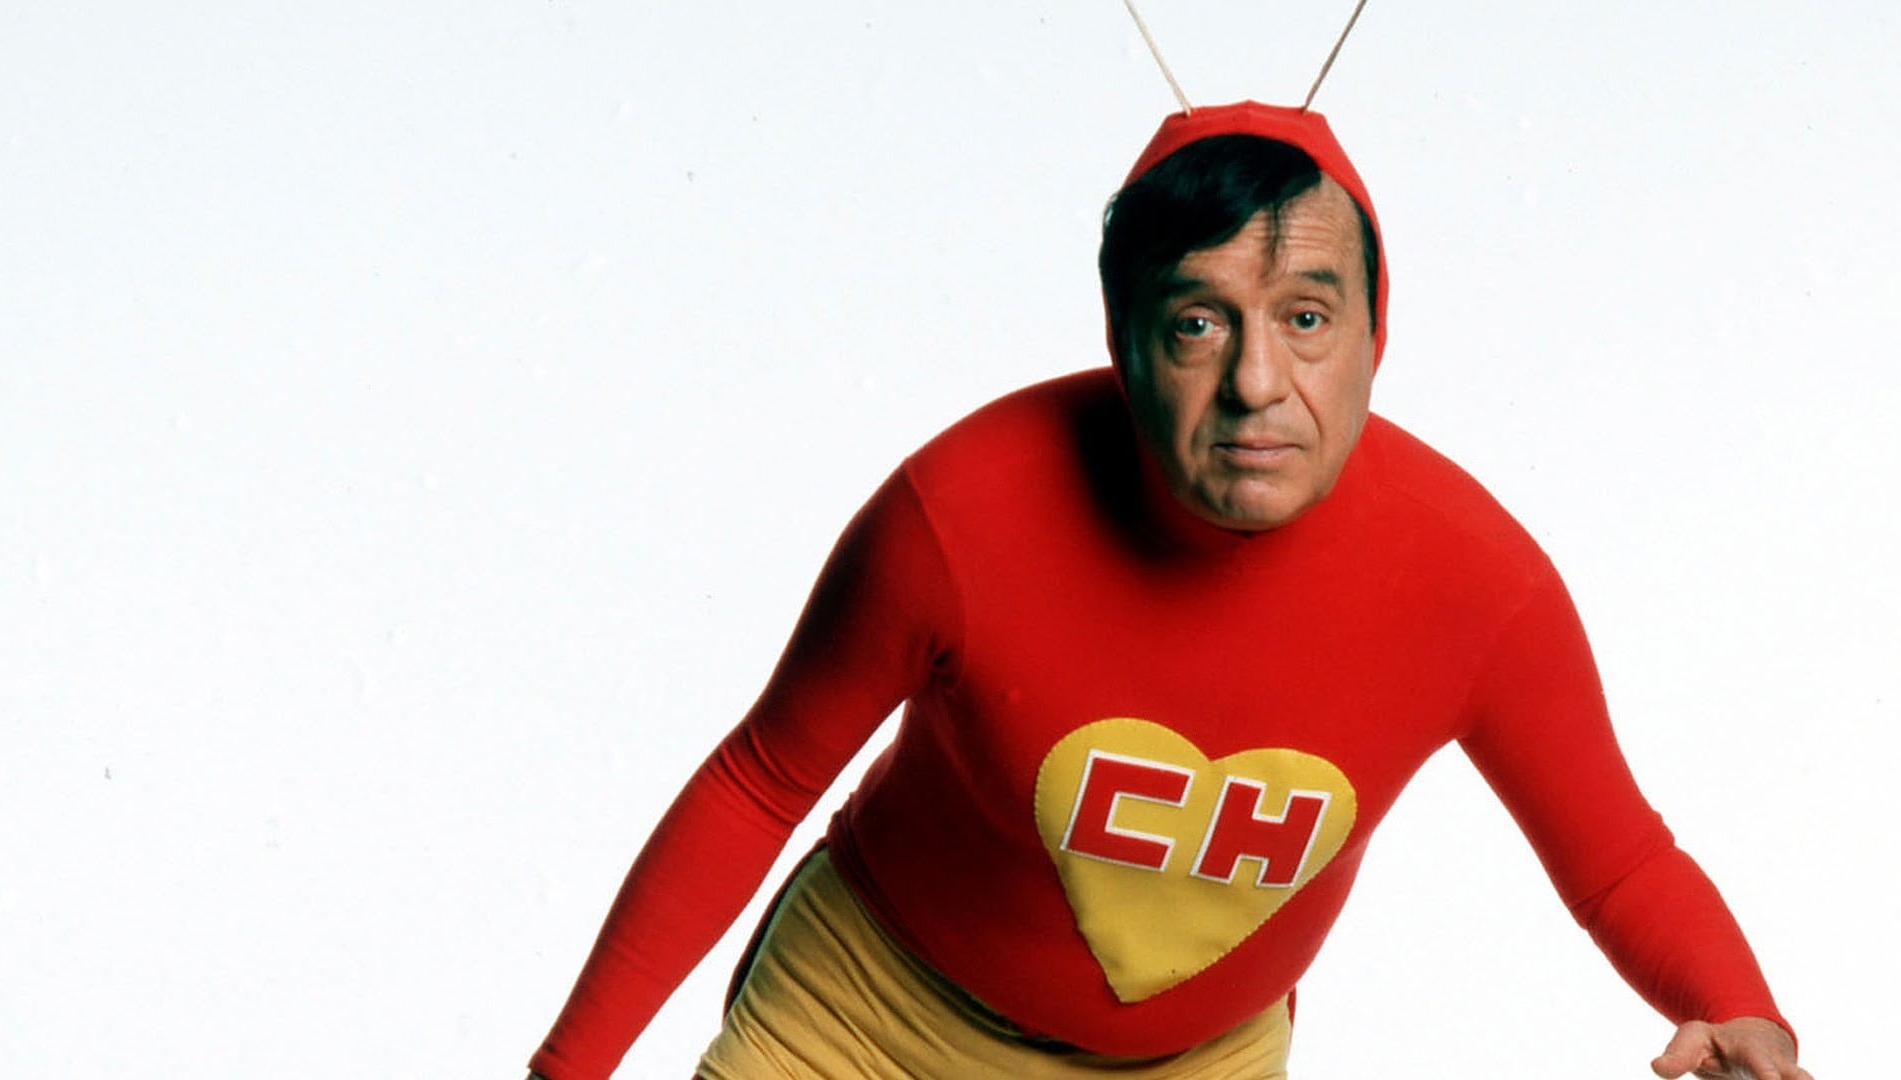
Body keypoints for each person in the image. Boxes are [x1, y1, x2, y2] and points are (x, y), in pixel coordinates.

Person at [527, 101, 1808, 1080]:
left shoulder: (1480, 584)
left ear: (1376, 334)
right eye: (1199, 321)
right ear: (1123, 335)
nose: (1256, 382)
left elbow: (1618, 860)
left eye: (1306, 318)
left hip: (1198, 1063)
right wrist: (566, 1073)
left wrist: (1740, 1009)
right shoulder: (959, 513)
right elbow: (760, 782)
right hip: (867, 1019)